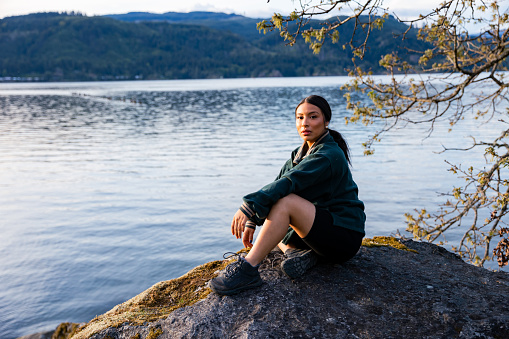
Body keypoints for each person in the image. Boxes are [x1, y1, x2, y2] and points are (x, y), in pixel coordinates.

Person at [210, 95, 365, 296]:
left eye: (313, 117)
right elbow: (277, 183)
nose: (305, 123)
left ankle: (248, 269)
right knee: (273, 227)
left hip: (343, 235)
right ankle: (298, 253)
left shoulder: (328, 155)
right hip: (321, 231)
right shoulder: (299, 153)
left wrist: (248, 207)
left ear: (326, 121)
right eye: (300, 118)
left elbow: (289, 183)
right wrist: (254, 221)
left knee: (286, 203)